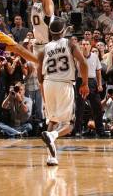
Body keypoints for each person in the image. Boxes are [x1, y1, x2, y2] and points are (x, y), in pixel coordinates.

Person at [36, 17, 89, 166]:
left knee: (52, 120)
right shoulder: (70, 43)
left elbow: (39, 75)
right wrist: (84, 83)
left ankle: (52, 157)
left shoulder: (43, 50)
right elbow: (83, 64)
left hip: (48, 83)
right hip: (64, 84)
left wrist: (44, 90)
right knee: (69, 124)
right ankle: (54, 135)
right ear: (64, 30)